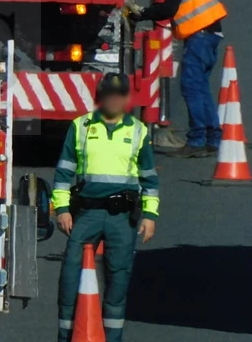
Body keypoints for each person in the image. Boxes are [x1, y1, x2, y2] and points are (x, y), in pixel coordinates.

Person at [52, 73, 159, 342]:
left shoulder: (137, 130)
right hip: (85, 214)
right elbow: (64, 172)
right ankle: (65, 338)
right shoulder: (81, 126)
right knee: (69, 278)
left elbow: (149, 178)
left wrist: (149, 215)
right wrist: (62, 209)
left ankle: (112, 339)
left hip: (121, 218)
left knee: (118, 282)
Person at [127, 0, 228, 158]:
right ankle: (213, 138)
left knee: (191, 86)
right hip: (208, 32)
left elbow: (169, 8)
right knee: (200, 87)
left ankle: (197, 139)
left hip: (199, 33)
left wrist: (142, 13)